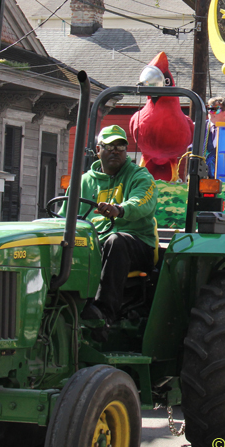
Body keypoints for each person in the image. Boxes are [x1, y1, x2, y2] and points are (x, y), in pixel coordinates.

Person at [69, 125, 159, 326]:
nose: (115, 152)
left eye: (120, 147)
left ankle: (103, 314)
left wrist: (119, 210)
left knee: (116, 241)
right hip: (94, 244)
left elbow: (141, 203)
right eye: (109, 147)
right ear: (98, 150)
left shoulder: (140, 177)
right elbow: (64, 215)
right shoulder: (83, 182)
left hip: (136, 244)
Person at [205, 97, 225, 177]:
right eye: (209, 109)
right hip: (203, 180)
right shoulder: (199, 127)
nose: (210, 112)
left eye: (214, 109)